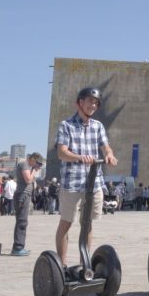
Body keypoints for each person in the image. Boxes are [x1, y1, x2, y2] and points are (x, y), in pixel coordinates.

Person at [54, 86, 119, 268]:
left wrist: (109, 155)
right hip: (72, 182)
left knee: (87, 224)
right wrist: (80, 158)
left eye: (96, 103)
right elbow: (62, 153)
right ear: (80, 103)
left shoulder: (98, 126)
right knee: (66, 223)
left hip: (94, 182)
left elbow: (105, 146)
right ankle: (62, 266)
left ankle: (85, 264)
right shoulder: (66, 126)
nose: (93, 105)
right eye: (90, 101)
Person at [11, 152, 44, 256]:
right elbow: (28, 180)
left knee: (22, 221)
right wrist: (34, 170)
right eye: (38, 163)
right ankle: (18, 247)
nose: (38, 165)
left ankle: (19, 246)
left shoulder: (28, 166)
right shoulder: (24, 164)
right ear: (33, 159)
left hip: (24, 195)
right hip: (22, 195)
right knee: (22, 221)